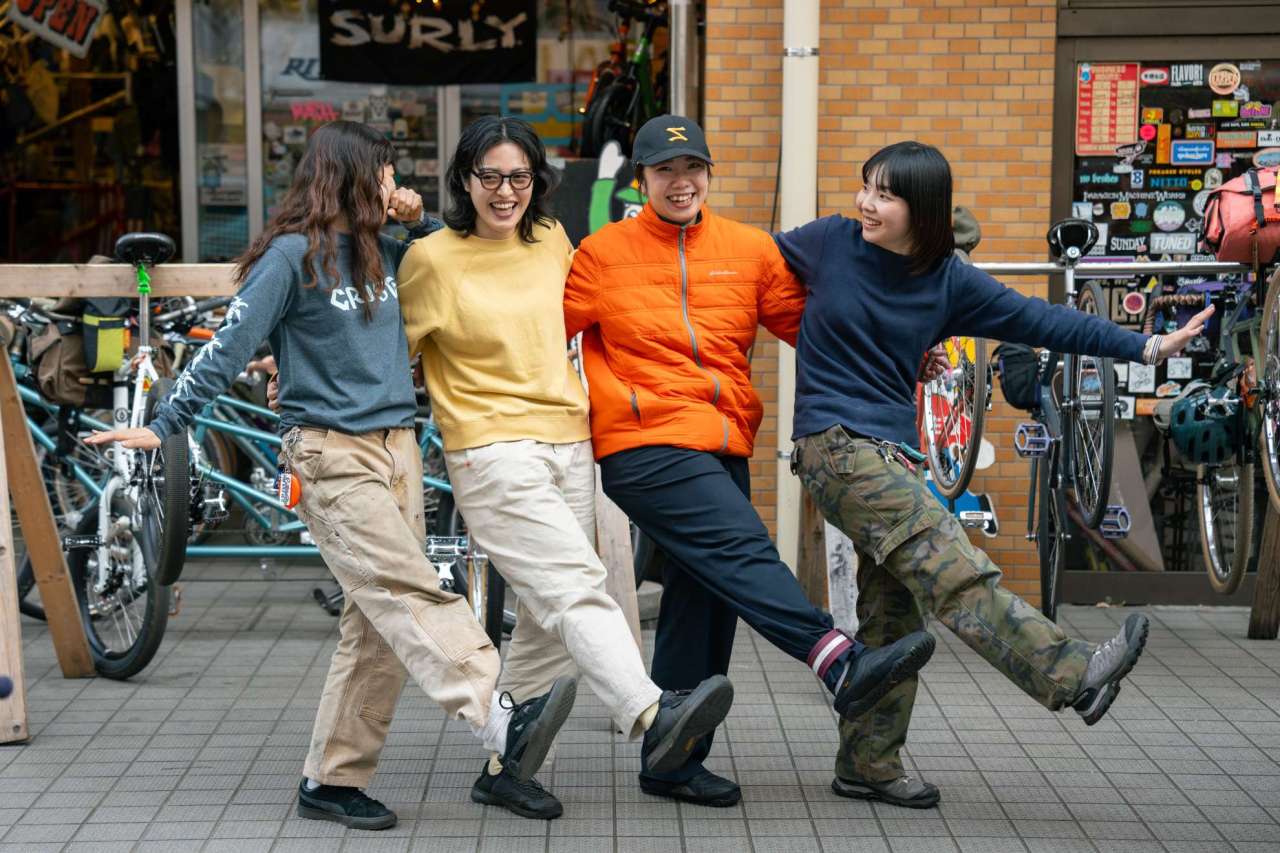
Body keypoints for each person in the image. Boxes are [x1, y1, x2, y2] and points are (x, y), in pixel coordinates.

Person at [85, 121, 578, 831]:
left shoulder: (385, 248)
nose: (392, 183)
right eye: (383, 171)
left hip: (398, 447)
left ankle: (331, 779)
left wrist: (417, 217)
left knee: (377, 622)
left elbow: (460, 254)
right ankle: (499, 716)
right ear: (348, 175)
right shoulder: (291, 256)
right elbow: (231, 344)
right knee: (407, 589)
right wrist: (165, 424)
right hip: (330, 453)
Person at [777, 140, 1212, 809]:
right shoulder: (829, 241)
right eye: (866, 187)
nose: (865, 203)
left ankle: (867, 763)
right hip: (834, 447)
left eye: (885, 195)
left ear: (922, 210)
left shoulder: (947, 279)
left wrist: (1148, 345)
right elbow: (747, 271)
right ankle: (1071, 673)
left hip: (895, 455)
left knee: (895, 613)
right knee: (953, 567)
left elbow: (1045, 320)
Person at [562, 115, 938, 808]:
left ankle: (673, 761)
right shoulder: (601, 254)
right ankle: (837, 661)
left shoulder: (748, 250)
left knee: (704, 601)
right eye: (665, 171)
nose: (681, 182)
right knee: (744, 551)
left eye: (693, 168)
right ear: (641, 181)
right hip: (644, 443)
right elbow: (539, 335)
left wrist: (905, 352)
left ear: (709, 173)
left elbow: (820, 329)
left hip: (723, 441)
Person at [395, 115, 736, 819]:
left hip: (569, 442)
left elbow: (602, 313)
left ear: (537, 181)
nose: (505, 191)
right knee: (579, 587)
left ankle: (507, 767)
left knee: (548, 621)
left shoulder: (551, 238)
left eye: (519, 176)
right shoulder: (430, 259)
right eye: (490, 176)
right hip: (491, 450)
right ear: (464, 179)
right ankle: (652, 714)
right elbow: (387, 353)